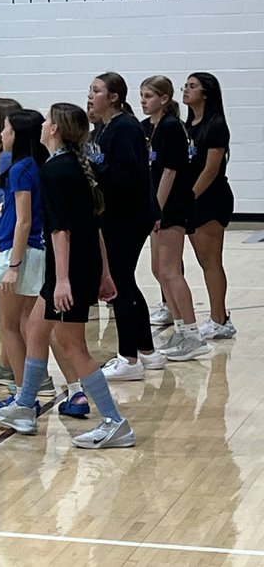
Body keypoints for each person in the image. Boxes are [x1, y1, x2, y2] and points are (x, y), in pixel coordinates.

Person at [0, 103, 135, 449]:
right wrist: (105, 272)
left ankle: (115, 422)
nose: (42, 125)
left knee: (73, 346)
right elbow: (94, 225)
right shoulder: (73, 167)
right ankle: (25, 406)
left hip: (67, 270)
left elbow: (61, 231)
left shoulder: (55, 172)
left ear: (54, 130)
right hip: (79, 267)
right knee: (37, 330)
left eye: (47, 121)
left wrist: (64, 280)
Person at [87, 72, 163, 380]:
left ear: (114, 97)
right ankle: (148, 351)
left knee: (119, 282)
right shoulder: (106, 129)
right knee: (125, 280)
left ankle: (128, 359)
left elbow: (128, 177)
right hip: (119, 216)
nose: (90, 96)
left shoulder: (125, 128)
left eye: (96, 91)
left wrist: (93, 167)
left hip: (129, 217)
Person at [0, 109, 48, 408]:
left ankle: (24, 395)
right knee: (23, 323)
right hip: (29, 249)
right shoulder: (36, 164)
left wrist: (13, 265)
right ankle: (27, 391)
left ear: (17, 135)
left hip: (21, 251)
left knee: (10, 324)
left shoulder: (21, 168)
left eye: (6, 129)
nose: (3, 134)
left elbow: (24, 221)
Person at [140, 76, 210, 360]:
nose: (143, 100)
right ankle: (181, 329)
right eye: (141, 95)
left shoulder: (170, 127)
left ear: (164, 99)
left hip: (173, 207)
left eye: (149, 96)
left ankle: (193, 334)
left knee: (170, 270)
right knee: (158, 269)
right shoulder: (151, 128)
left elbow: (169, 172)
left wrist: (156, 210)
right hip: (160, 206)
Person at [183, 72, 236, 340]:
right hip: (194, 198)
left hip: (211, 198)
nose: (186, 90)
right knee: (204, 260)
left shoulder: (215, 125)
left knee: (211, 261)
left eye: (192, 86)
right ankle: (217, 317)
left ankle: (220, 319)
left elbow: (211, 169)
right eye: (186, 86)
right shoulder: (189, 124)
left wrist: (188, 197)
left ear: (206, 93)